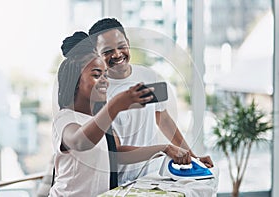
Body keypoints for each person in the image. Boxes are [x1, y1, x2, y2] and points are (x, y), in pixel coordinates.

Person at [49, 31, 191, 197]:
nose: (104, 80)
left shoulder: (97, 120)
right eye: (96, 74)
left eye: (104, 74)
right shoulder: (65, 118)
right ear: (75, 81)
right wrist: (116, 105)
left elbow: (117, 155)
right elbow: (80, 142)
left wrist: (165, 148)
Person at [88, 18, 214, 184]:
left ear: (128, 42)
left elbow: (163, 118)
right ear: (96, 54)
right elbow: (116, 152)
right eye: (107, 51)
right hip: (119, 183)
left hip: (151, 178)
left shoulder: (148, 76)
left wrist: (192, 157)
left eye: (121, 45)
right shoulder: (97, 93)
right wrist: (166, 149)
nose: (117, 54)